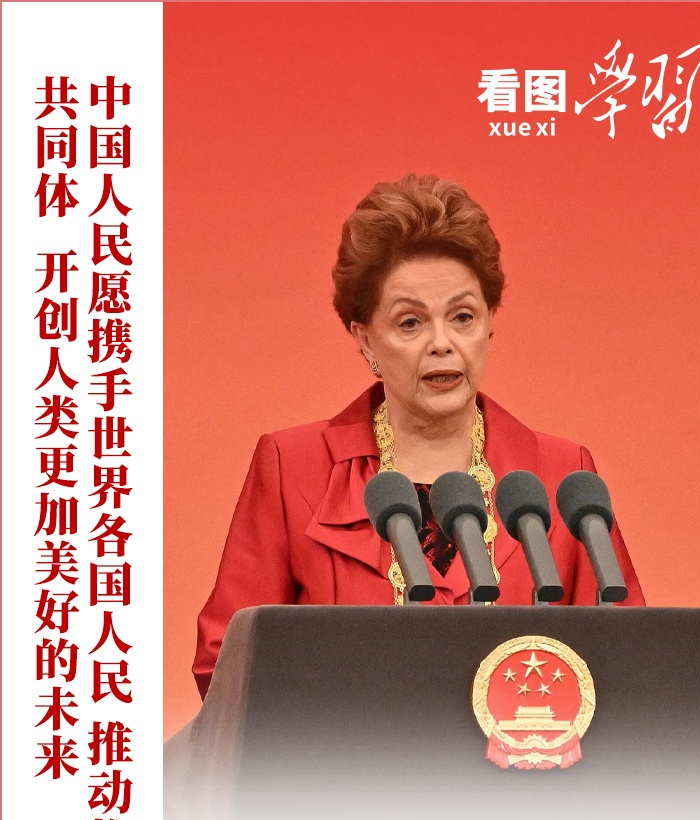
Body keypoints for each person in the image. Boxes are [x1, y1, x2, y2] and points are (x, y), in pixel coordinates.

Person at [193, 174, 644, 700]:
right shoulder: (294, 468)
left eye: (463, 317)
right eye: (410, 323)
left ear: (490, 324)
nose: (442, 343)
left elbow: (628, 661)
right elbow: (226, 665)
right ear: (366, 339)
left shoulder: (562, 474)